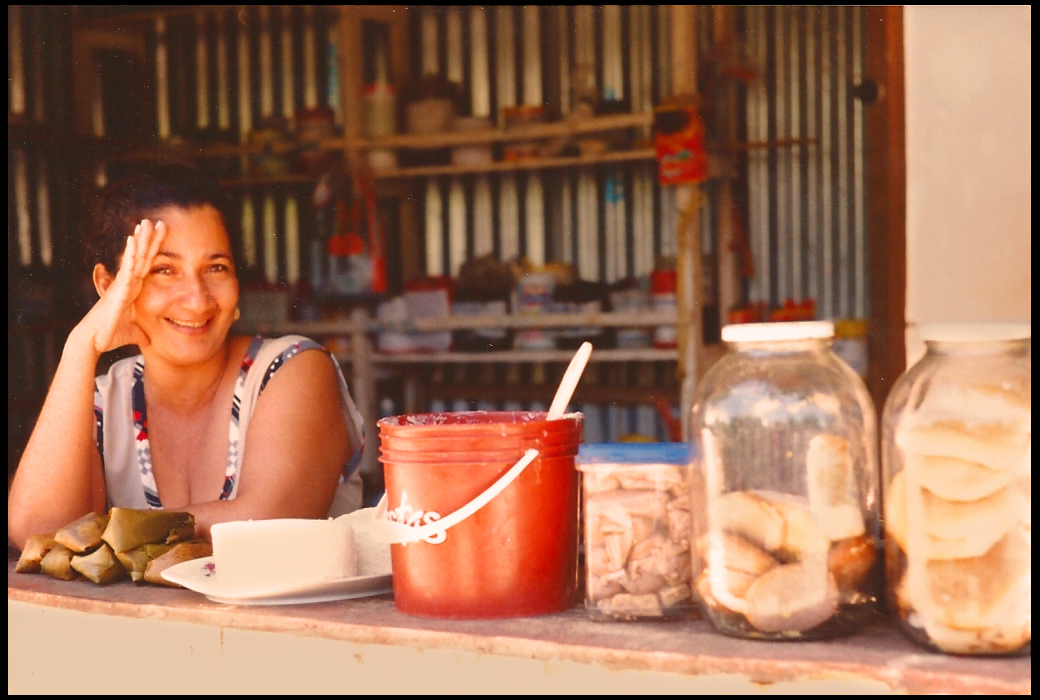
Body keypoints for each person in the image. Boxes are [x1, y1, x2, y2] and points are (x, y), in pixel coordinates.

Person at [8, 164, 364, 550]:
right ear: (110, 287)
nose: (197, 299)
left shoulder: (291, 369)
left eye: (216, 268)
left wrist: (101, 533)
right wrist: (80, 347)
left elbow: (270, 522)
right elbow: (36, 531)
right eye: (164, 270)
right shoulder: (102, 404)